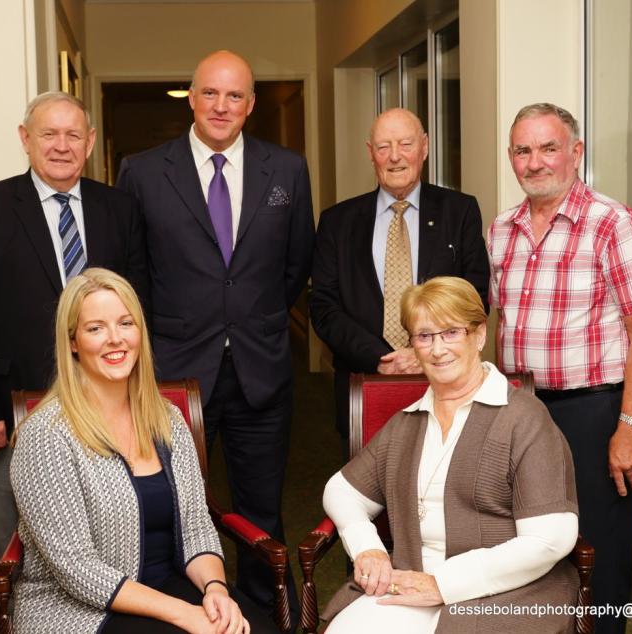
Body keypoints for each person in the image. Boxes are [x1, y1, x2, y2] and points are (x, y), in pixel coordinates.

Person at [116, 50, 313, 617]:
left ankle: (258, 614)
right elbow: (134, 274)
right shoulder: (144, 170)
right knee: (172, 506)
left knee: (261, 508)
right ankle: (181, 613)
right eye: (210, 93)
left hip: (261, 367)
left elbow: (295, 264)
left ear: (250, 105)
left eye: (234, 96)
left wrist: (253, 317)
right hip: (174, 373)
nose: (221, 106)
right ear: (192, 96)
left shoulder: (288, 170)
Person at [10, 268, 276, 634]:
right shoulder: (46, 435)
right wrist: (184, 614)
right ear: (72, 342)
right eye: (95, 328)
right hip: (79, 610)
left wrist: (215, 590)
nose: (115, 339)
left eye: (125, 323)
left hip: (167, 588)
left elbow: (196, 528)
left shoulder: (168, 420)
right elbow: (76, 568)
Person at [0, 91, 147, 566]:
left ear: (90, 142)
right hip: (12, 405)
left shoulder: (120, 209)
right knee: (15, 541)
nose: (61, 145)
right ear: (25, 139)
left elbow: (139, 309)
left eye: (73, 134)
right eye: (48, 134)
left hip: (106, 402)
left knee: (101, 528)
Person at [488, 103, 632, 634]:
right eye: (523, 150)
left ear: (576, 153)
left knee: (601, 558)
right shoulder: (501, 229)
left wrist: (630, 429)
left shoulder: (615, 223)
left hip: (595, 414)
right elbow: (491, 321)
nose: (535, 162)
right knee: (527, 550)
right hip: (520, 412)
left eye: (548, 148)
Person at [321, 276, 580, 633]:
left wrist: (442, 584)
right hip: (410, 578)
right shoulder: (407, 423)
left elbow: (552, 537)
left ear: (479, 335)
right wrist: (367, 547)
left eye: (451, 333)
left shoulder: (525, 420)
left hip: (507, 592)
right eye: (424, 336)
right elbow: (341, 490)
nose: (438, 349)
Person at [310, 108, 489, 440]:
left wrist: (424, 351)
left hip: (444, 379)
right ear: (370, 153)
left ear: (424, 147)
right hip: (363, 383)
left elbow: (475, 296)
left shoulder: (460, 212)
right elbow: (323, 307)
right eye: (383, 147)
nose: (395, 157)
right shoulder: (337, 222)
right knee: (364, 486)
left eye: (405, 144)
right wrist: (381, 358)